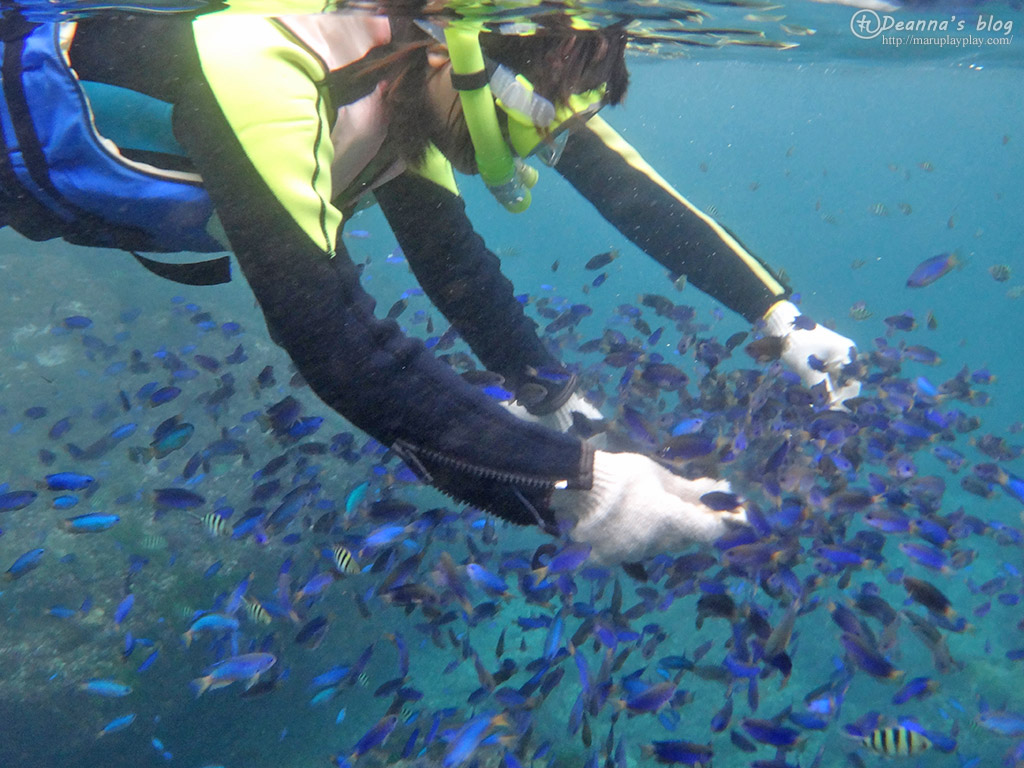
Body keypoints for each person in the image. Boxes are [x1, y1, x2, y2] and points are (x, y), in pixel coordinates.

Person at [0, 6, 860, 563]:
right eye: (531, 122)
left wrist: (777, 318)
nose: (530, 154)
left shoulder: (406, 94)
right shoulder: (266, 65)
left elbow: (480, 254)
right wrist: (577, 485)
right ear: (455, 42)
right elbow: (333, 342)